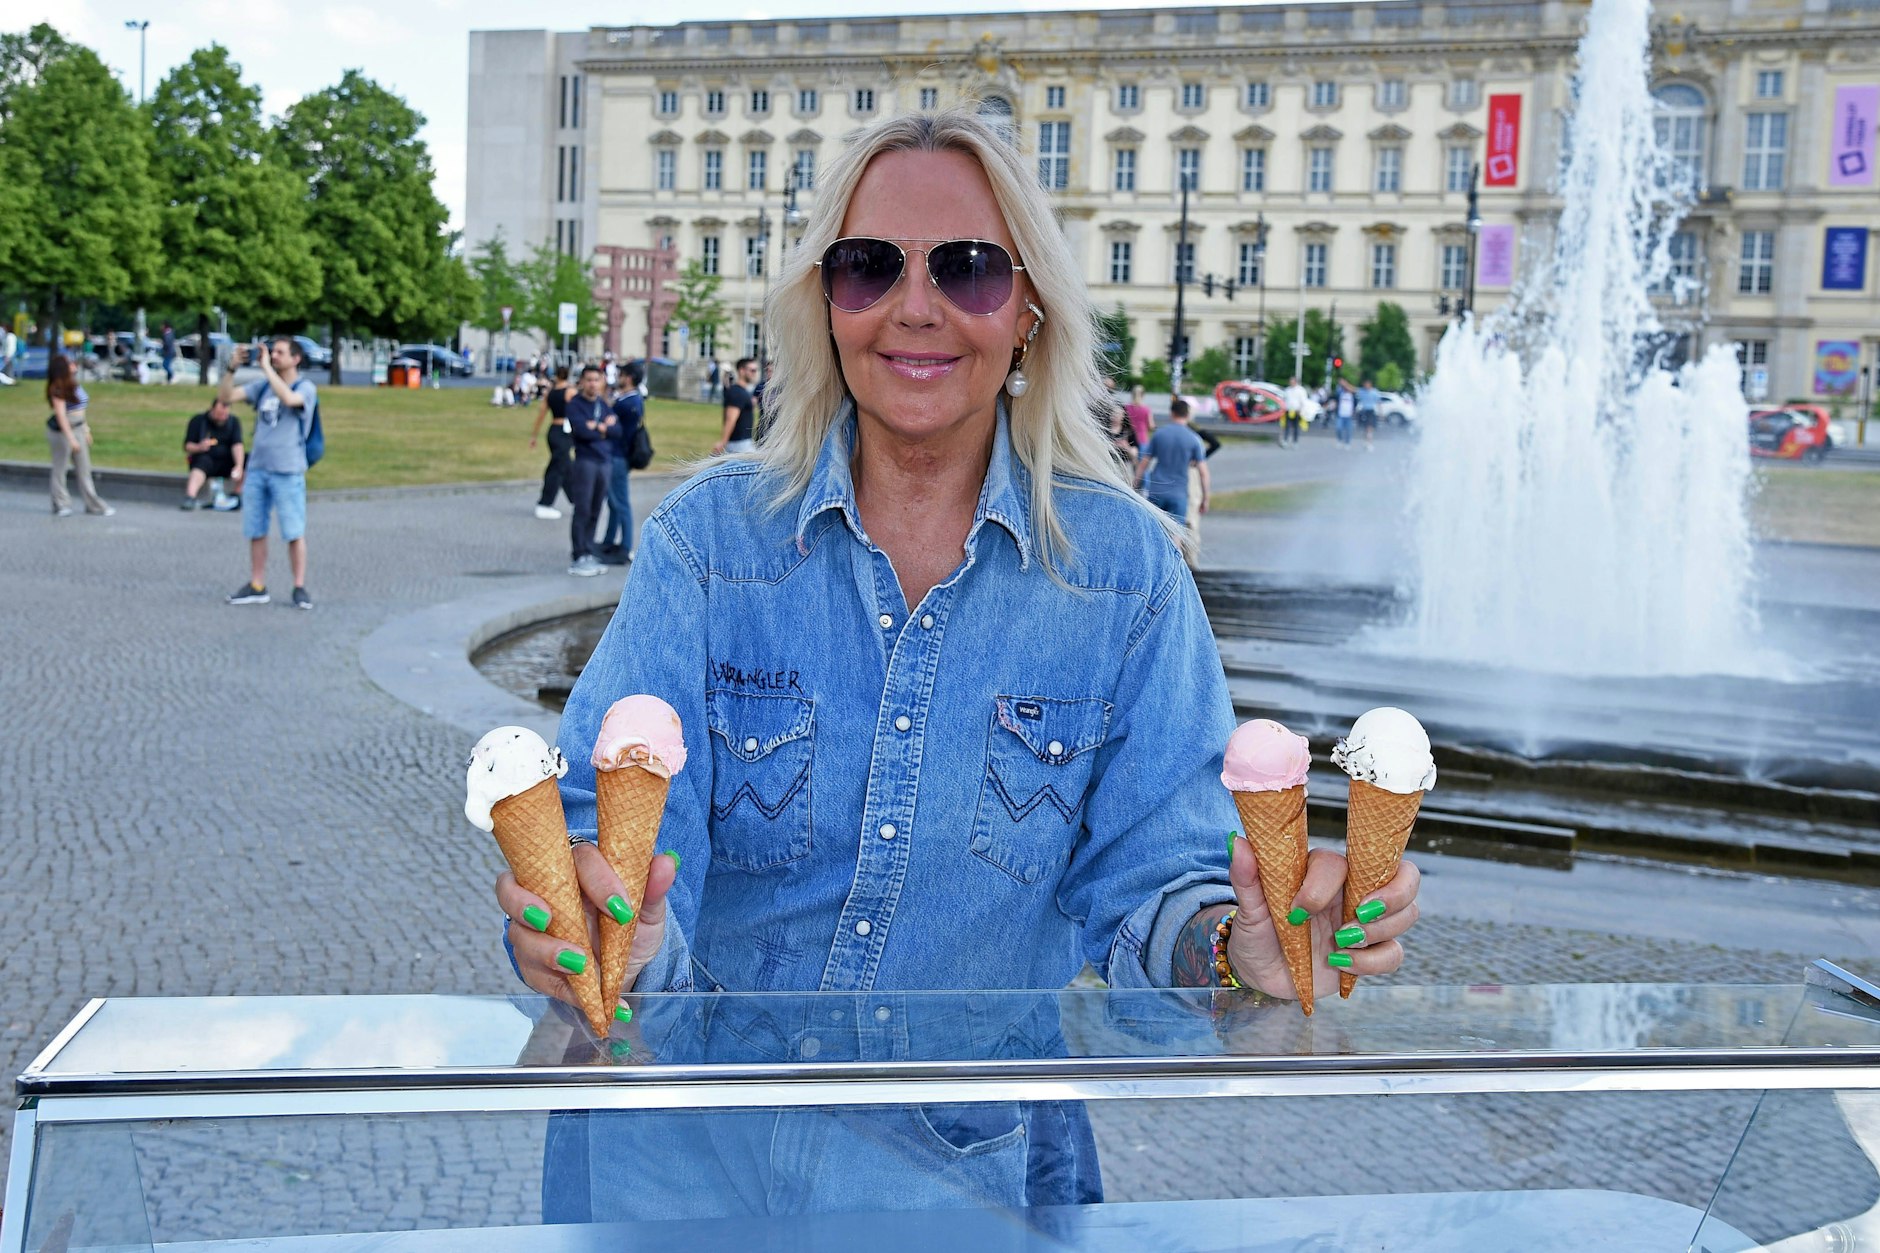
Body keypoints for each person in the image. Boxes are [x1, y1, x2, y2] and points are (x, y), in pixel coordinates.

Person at [494, 107, 1421, 1219]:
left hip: (962, 1176)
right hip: (682, 1157)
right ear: (823, 301)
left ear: (1028, 308)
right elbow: (615, 829)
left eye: (970, 269)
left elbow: (1158, 879)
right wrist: (604, 928)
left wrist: (1236, 949)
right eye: (867, 265)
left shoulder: (1120, 575)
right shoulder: (711, 541)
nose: (914, 306)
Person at [223, 337, 317, 610]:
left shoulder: (305, 388)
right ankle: (256, 585)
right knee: (255, 529)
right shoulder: (263, 386)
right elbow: (225, 397)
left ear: (295, 359)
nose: (274, 356)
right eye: (272, 352)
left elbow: (289, 399)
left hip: (287, 470)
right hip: (258, 469)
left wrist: (265, 368)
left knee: (293, 531)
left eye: (280, 353)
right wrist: (231, 369)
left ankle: (299, 586)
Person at [44, 353, 113, 518]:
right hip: (63, 431)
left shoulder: (74, 384)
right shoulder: (57, 388)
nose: (74, 364)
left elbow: (82, 411)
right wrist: (71, 438)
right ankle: (60, 503)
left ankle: (93, 504)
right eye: (70, 363)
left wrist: (86, 430)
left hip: (78, 426)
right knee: (60, 468)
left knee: (84, 469)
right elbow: (61, 416)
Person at [564, 364, 617, 577]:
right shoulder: (575, 405)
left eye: (596, 379)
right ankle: (579, 554)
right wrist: (602, 428)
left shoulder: (602, 405)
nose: (593, 384)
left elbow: (617, 430)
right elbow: (582, 432)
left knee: (596, 509)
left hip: (604, 462)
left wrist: (599, 427)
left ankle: (589, 548)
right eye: (589, 380)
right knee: (582, 508)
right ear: (582, 382)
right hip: (586, 461)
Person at [598, 360, 645, 565]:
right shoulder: (629, 399)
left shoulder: (630, 402)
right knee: (614, 501)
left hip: (618, 455)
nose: (619, 377)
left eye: (623, 374)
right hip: (618, 454)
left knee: (621, 502)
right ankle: (609, 540)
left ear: (630, 378)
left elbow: (615, 426)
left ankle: (625, 546)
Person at [1136, 397, 1209, 526]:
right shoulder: (1194, 439)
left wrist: (1135, 485)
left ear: (1171, 413)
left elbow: (1143, 464)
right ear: (1187, 415)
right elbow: (1203, 473)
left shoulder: (1159, 434)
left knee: (1154, 531)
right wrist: (1205, 498)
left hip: (1157, 490)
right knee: (1177, 534)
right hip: (1179, 493)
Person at [181, 396, 245, 511]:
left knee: (249, 460)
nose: (222, 417)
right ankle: (190, 496)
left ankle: (237, 494)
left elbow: (237, 445)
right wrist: (199, 447)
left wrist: (239, 465)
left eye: (225, 414)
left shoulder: (233, 422)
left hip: (226, 460)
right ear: (212, 409)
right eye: (219, 414)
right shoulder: (199, 421)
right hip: (206, 458)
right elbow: (187, 446)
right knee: (201, 463)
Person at [529, 366, 574, 520]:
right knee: (558, 467)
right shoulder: (570, 392)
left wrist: (534, 435)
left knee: (566, 465)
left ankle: (576, 498)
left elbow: (541, 415)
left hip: (553, 430)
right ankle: (545, 503)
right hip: (564, 431)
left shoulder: (551, 392)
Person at [711, 357, 759, 454]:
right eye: (752, 370)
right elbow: (731, 419)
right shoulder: (737, 393)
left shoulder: (743, 391)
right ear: (742, 371)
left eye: (756, 370)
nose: (754, 373)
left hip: (744, 442)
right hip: (739, 444)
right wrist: (723, 442)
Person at [1280, 375, 1309, 448]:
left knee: (1296, 427)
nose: (1291, 382)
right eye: (1290, 381)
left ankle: (1295, 442)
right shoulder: (1287, 390)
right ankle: (1285, 440)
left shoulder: (1301, 390)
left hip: (1297, 411)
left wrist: (1301, 409)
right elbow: (1284, 400)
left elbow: (1303, 401)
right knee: (1287, 426)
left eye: (1292, 381)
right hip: (1288, 410)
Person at [1124, 383, 1153, 450]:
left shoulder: (1127, 407)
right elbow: (1151, 425)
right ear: (1143, 395)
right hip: (1143, 438)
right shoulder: (1146, 409)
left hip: (1129, 439)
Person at [1357, 376, 1382, 451]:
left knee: (1370, 428)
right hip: (1364, 411)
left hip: (1371, 411)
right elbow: (1354, 390)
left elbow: (1378, 402)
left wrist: (1380, 412)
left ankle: (1369, 443)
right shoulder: (1362, 391)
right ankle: (1366, 441)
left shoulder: (1374, 392)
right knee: (1366, 429)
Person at [1334, 378, 1356, 448]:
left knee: (1348, 430)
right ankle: (1339, 440)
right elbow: (1335, 395)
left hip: (1349, 415)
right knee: (1338, 428)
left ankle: (1347, 442)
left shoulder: (1352, 394)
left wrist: (1345, 384)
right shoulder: (1340, 392)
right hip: (1340, 414)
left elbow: (1354, 390)